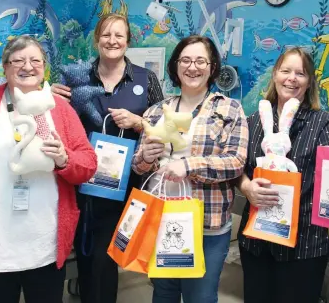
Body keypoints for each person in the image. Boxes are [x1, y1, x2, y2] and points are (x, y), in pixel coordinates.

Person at [0, 35, 97, 303]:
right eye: (18, 60)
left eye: (35, 60)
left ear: (44, 66)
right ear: (5, 66)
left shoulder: (59, 108)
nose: (28, 66)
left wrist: (64, 159)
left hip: (44, 246)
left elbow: (87, 164)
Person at [52, 13, 164, 303]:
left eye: (119, 35)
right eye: (106, 35)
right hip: (79, 182)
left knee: (107, 257)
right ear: (96, 39)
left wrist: (138, 122)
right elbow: (55, 121)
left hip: (124, 185)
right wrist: (50, 99)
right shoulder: (75, 78)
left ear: (128, 41)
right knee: (84, 253)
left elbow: (162, 128)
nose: (112, 41)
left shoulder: (146, 78)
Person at [131, 35, 249, 303]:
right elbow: (139, 168)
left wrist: (188, 165)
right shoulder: (156, 111)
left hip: (206, 223)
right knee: (164, 292)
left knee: (200, 296)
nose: (192, 67)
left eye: (200, 61)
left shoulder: (229, 109)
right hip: (160, 219)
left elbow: (235, 161)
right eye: (185, 60)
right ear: (175, 66)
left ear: (212, 67)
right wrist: (145, 158)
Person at [235, 47, 329, 303]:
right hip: (257, 240)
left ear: (309, 82)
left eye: (300, 73)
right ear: (275, 75)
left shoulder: (323, 123)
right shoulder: (253, 122)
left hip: (306, 244)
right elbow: (237, 169)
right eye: (286, 70)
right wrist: (246, 188)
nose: (292, 78)